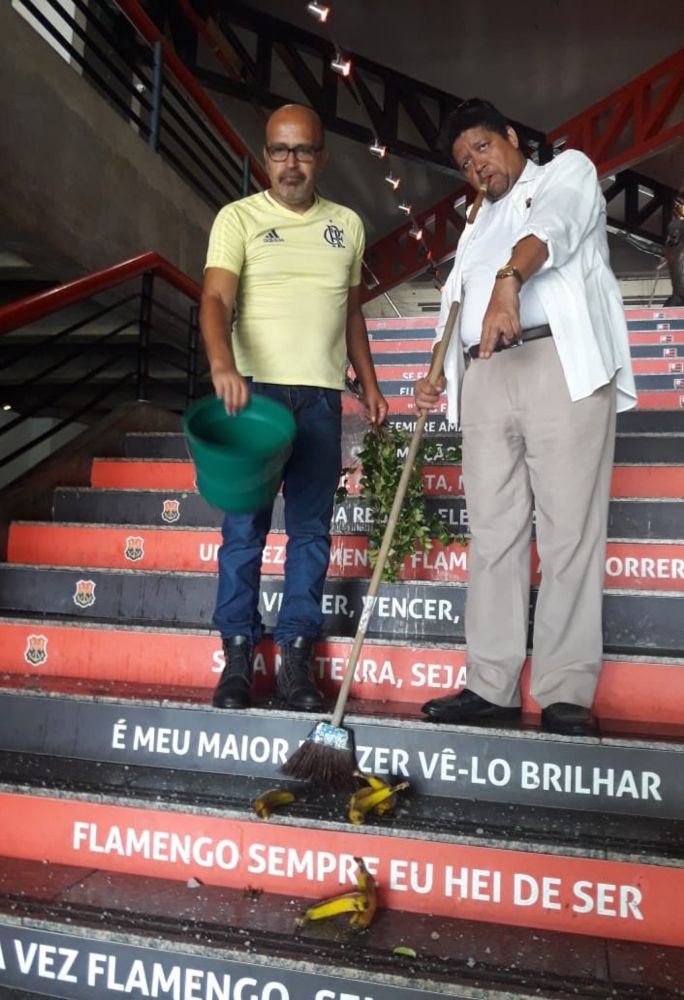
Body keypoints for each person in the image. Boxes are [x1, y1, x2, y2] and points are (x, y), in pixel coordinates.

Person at [414, 99, 637, 736]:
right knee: (494, 532)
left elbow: (559, 229)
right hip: (483, 375)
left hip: (555, 362)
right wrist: (435, 370)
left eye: (482, 148)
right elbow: (455, 304)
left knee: (569, 531)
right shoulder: (475, 221)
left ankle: (565, 690)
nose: (476, 167)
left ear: (511, 137)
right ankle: (491, 684)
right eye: (464, 162)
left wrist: (510, 282)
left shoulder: (564, 173)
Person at [200, 104, 387, 712]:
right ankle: (236, 659)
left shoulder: (348, 225)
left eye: (303, 151)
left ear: (322, 157)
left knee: (311, 533)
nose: (291, 163)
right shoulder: (239, 218)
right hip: (253, 396)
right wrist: (223, 365)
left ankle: (296, 662)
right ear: (265, 154)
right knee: (243, 531)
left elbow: (349, 309)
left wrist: (370, 380)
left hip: (321, 401)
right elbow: (215, 299)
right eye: (279, 151)